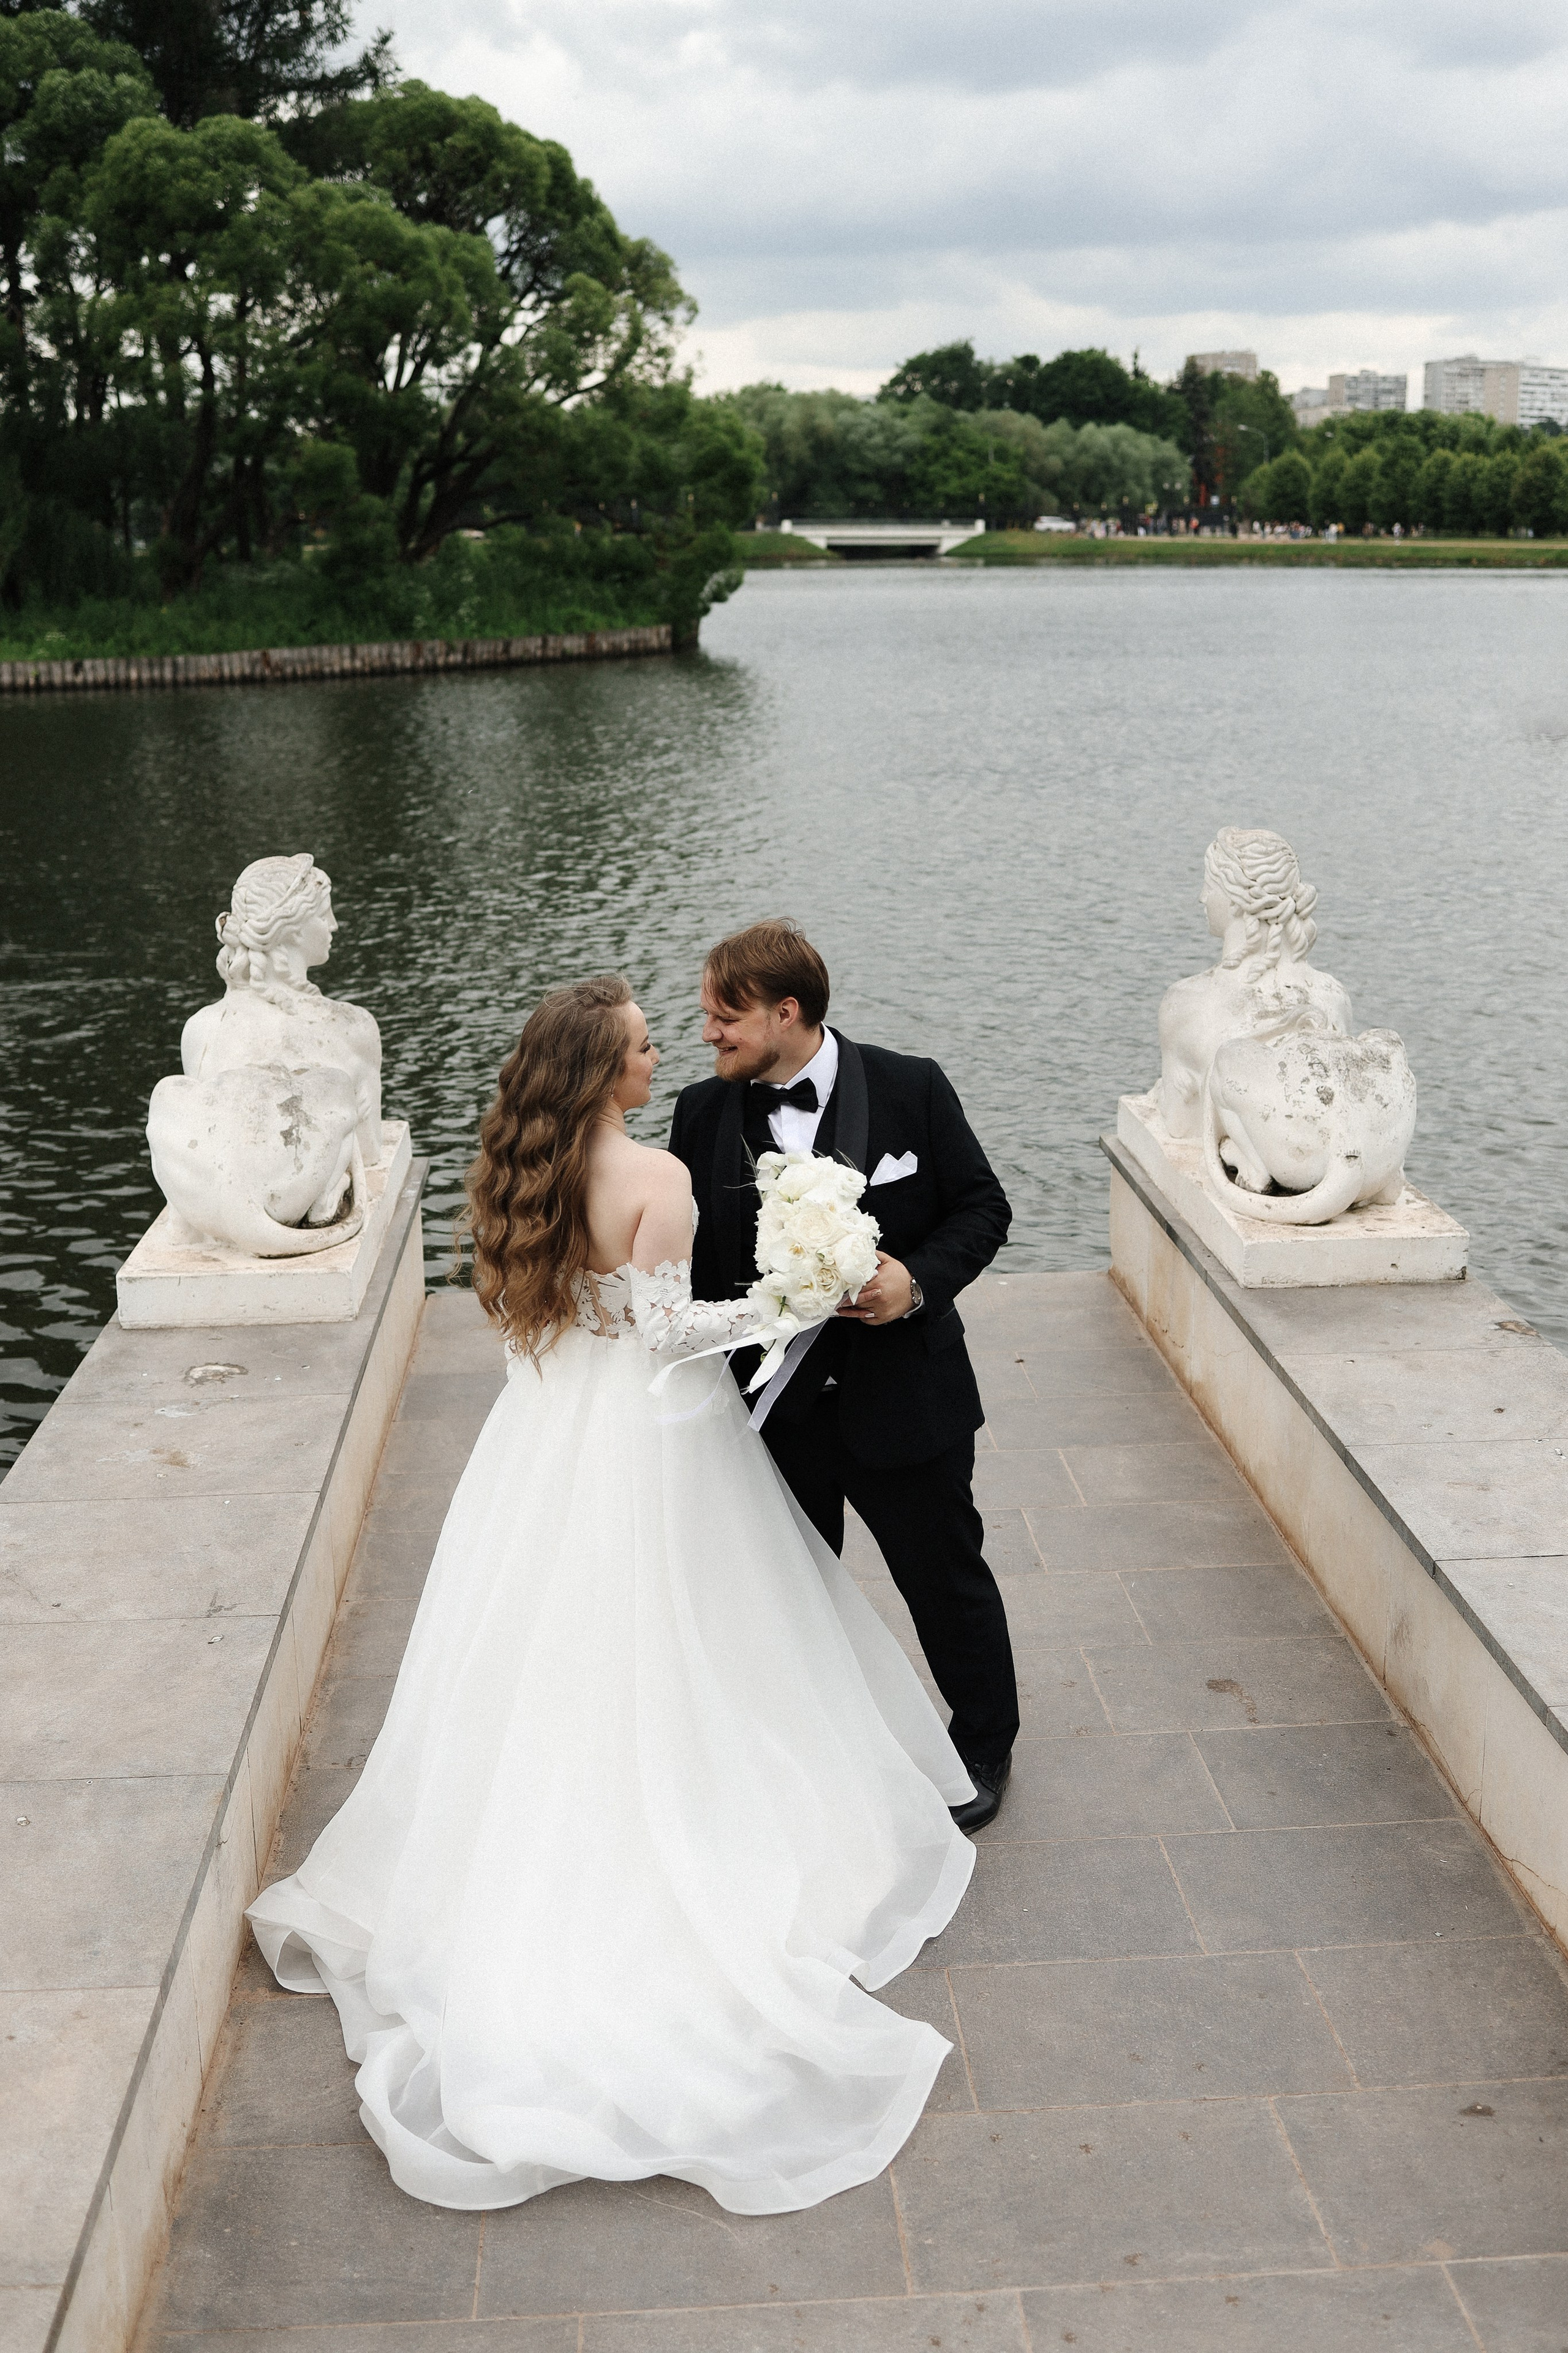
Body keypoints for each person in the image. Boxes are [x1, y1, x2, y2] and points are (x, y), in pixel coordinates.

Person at [247, 976, 976, 2214]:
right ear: (600, 1072)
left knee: (548, 1631)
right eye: (641, 1048)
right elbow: (665, 1337)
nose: (658, 1060)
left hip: (544, 1433)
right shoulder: (660, 1185)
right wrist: (789, 1301)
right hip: (651, 1437)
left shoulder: (524, 1175)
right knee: (683, 1629)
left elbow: (566, 1324)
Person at [668, 920, 1019, 1831]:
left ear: (788, 1013)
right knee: (787, 1594)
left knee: (944, 1578)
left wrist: (917, 1282)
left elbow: (985, 1207)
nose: (709, 1033)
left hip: (907, 1402)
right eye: (707, 1016)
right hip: (775, 1417)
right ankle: (808, 1753)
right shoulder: (700, 1115)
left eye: (726, 1017)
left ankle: (984, 1740)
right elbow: (694, 1268)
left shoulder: (913, 1087)